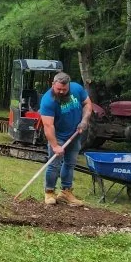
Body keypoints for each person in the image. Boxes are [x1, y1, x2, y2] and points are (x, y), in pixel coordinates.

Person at [38, 72, 93, 206]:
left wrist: (84, 120)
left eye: (64, 89)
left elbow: (87, 104)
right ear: (53, 84)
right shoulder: (48, 100)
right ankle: (49, 192)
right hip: (58, 137)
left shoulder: (77, 89)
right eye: (59, 89)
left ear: (69, 85)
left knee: (70, 163)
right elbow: (48, 126)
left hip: (75, 135)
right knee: (54, 165)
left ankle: (65, 192)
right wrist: (55, 145)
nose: (62, 91)